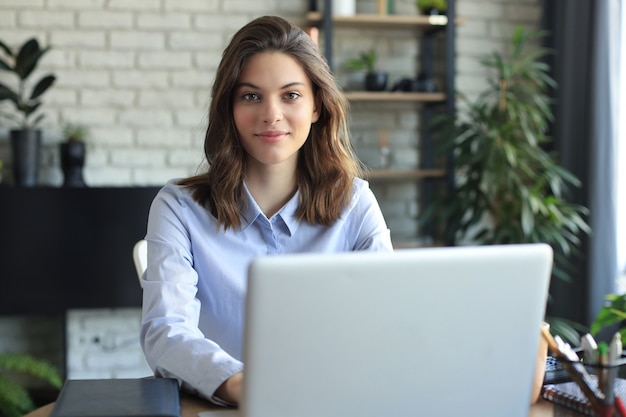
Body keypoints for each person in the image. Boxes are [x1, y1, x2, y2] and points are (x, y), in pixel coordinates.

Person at [140, 15, 393, 406]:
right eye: (251, 96)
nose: (271, 114)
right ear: (230, 108)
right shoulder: (178, 208)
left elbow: (385, 325)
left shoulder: (355, 203)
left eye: (290, 95)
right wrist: (246, 387)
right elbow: (165, 331)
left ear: (316, 106)